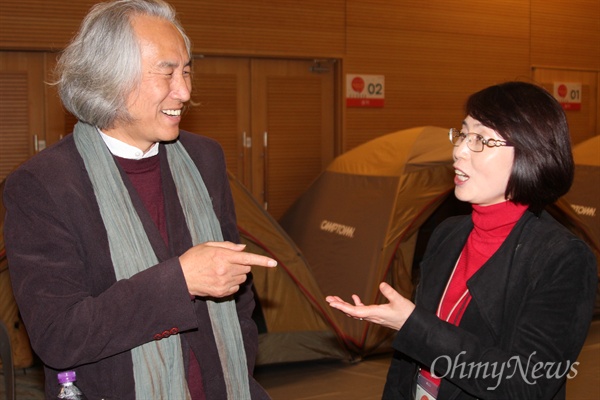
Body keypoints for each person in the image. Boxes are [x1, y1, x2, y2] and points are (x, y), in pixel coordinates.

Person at [3, 1, 277, 399]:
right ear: (108, 78)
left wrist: (240, 368)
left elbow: (238, 294)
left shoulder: (205, 158)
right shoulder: (43, 185)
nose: (183, 91)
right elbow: (58, 334)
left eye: (186, 71)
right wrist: (179, 281)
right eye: (166, 73)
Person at [326, 81, 597, 399]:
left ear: (530, 153)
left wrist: (414, 325)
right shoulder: (449, 233)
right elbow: (407, 362)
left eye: (480, 139)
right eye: (463, 134)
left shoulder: (561, 258)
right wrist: (410, 328)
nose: (459, 150)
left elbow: (526, 384)